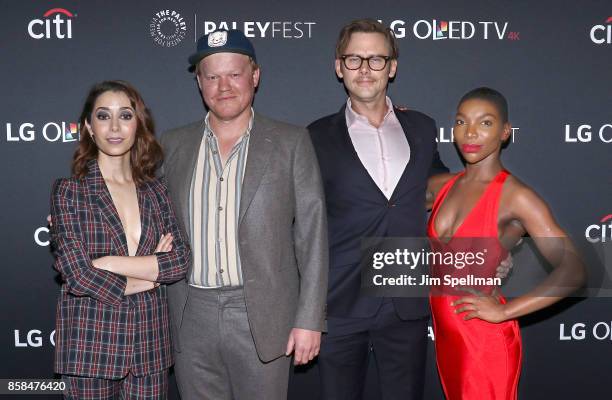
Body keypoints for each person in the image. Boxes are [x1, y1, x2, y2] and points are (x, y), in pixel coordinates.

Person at [160, 29, 328, 400]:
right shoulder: (171, 146)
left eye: (234, 74)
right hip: (189, 316)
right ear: (199, 82)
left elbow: (313, 235)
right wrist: (80, 213)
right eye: (212, 76)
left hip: (264, 316)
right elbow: (138, 206)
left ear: (255, 76)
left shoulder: (290, 142)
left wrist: (310, 319)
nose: (224, 86)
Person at [308, 19, 448, 399]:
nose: (365, 69)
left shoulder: (422, 127)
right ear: (339, 67)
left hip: (405, 300)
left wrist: (491, 250)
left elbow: (446, 195)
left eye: (376, 59)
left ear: (393, 66)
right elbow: (300, 224)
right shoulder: (313, 137)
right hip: (340, 301)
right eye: (354, 59)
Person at [426, 87, 585, 399]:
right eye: (461, 122)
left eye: (485, 123)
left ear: (505, 132)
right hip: (449, 339)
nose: (470, 132)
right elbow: (383, 199)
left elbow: (575, 270)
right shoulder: (442, 186)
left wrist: (505, 311)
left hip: (485, 341)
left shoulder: (516, 196)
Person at [50, 80, 191, 399]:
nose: (115, 126)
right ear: (88, 126)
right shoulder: (70, 192)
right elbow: (79, 275)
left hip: (149, 348)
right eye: (103, 116)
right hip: (90, 347)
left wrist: (110, 263)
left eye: (125, 116)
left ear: (138, 123)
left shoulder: (157, 191)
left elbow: (179, 260)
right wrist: (151, 277)